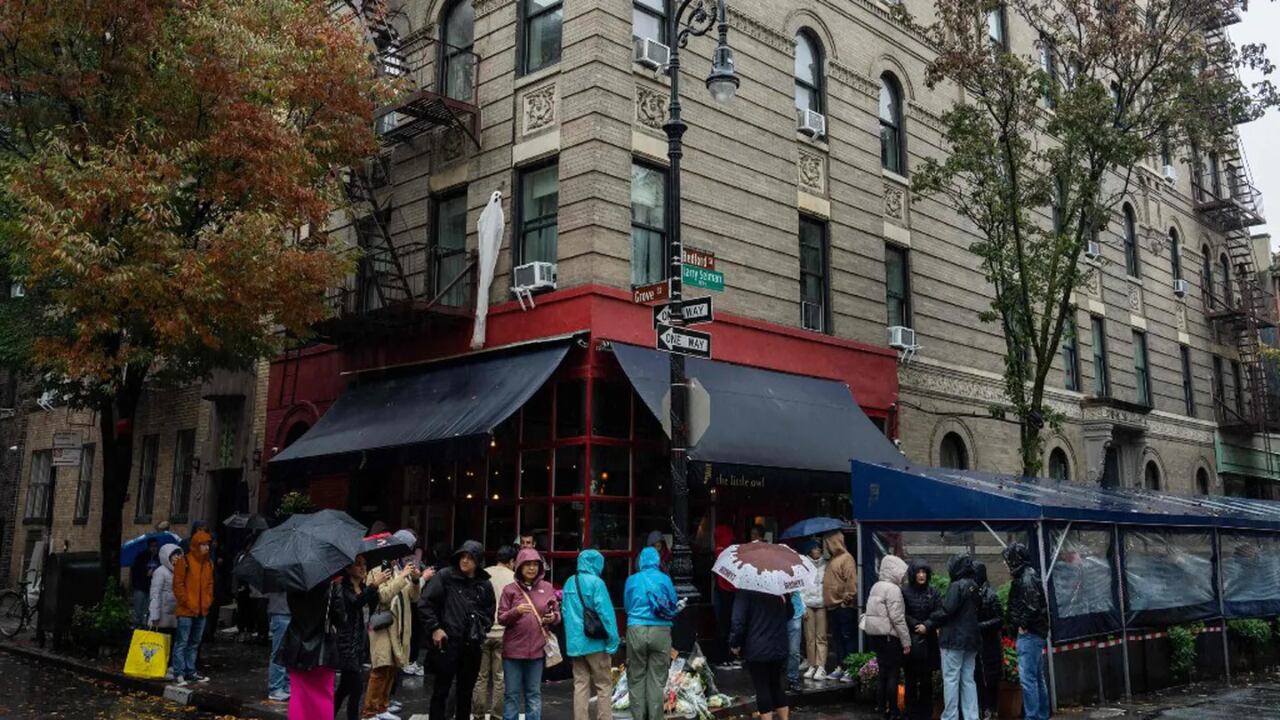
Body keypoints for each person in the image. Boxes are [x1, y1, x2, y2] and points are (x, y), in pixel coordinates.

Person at [419, 540, 496, 720]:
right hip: (448, 641)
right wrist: (435, 628)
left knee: (466, 691)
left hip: (472, 643)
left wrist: (481, 625)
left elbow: (490, 611)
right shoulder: (446, 576)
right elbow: (425, 603)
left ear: (478, 561)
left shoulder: (484, 584)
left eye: (470, 558)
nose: (465, 561)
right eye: (463, 556)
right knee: (441, 689)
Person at [497, 548, 561, 720]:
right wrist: (515, 611)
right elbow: (501, 618)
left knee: (534, 694)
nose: (532, 568)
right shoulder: (509, 589)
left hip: (537, 651)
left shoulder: (547, 587)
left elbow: (557, 615)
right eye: (527, 565)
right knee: (512, 694)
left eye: (535, 565)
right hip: (513, 652)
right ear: (519, 567)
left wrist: (552, 617)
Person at [362, 560, 425, 720]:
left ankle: (382, 707)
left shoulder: (397, 571)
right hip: (382, 626)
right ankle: (369, 712)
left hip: (399, 627)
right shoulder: (376, 571)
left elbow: (413, 596)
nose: (397, 558)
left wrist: (416, 580)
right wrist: (402, 576)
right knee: (380, 668)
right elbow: (383, 596)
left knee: (391, 668)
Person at [564, 549, 620, 720]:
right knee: (603, 685)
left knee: (580, 685)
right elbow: (606, 614)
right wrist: (613, 639)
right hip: (595, 643)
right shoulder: (597, 583)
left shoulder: (569, 582)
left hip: (575, 644)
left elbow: (565, 612)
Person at [624, 546, 678, 720]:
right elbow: (673, 603)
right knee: (656, 679)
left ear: (640, 561)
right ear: (657, 561)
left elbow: (627, 605)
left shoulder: (631, 580)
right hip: (660, 631)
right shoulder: (665, 580)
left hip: (636, 629)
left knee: (636, 676)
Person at [279, 578, 344, 719]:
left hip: (296, 644)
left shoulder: (294, 581)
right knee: (324, 694)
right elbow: (340, 616)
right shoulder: (332, 584)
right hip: (322, 647)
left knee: (298, 694)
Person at [929, 555, 981, 720]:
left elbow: (947, 611)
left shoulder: (956, 586)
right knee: (968, 680)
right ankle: (971, 716)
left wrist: (931, 618)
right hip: (971, 640)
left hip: (953, 640)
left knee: (951, 679)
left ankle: (950, 716)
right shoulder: (975, 586)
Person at [334, 556, 386, 720]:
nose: (363, 568)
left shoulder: (363, 586)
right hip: (346, 643)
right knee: (356, 688)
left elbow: (371, 604)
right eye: (358, 565)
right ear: (348, 569)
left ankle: (328, 715)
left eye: (365, 564)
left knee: (344, 688)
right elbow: (355, 603)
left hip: (360, 642)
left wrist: (376, 589)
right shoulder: (343, 587)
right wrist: (374, 585)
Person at [729, 589, 792, 720]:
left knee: (762, 686)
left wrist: (734, 643)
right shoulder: (779, 588)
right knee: (776, 684)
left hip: (757, 646)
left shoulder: (745, 590)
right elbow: (790, 614)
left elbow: (738, 621)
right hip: (778, 643)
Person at [1004, 543, 1050, 720]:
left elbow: (1032, 606)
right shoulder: (1029, 575)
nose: (1006, 564)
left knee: (1029, 679)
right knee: (1036, 677)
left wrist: (1022, 625)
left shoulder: (1026, 578)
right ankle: (1041, 714)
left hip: (1030, 633)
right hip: (1034, 632)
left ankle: (1033, 716)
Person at [862, 555, 911, 720]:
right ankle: (894, 710)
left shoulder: (876, 586)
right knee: (893, 674)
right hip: (891, 637)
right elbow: (897, 618)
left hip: (877, 637)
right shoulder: (893, 589)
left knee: (883, 672)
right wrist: (906, 642)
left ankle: (881, 706)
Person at [475, 545, 517, 719]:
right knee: (500, 678)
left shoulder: (483, 574)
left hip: (483, 632)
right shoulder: (514, 578)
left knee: (481, 677)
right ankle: (497, 715)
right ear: (512, 561)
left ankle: (477, 714)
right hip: (504, 633)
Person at [170, 528, 214, 685]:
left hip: (200, 609)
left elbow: (209, 585)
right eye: (203, 545)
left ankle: (189, 671)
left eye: (207, 545)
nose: (206, 547)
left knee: (193, 642)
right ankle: (179, 672)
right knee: (183, 642)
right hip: (188, 609)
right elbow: (178, 584)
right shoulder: (185, 561)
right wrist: (187, 601)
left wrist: (207, 601)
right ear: (196, 545)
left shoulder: (208, 564)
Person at [901, 560, 941, 720]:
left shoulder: (934, 591)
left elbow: (940, 612)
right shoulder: (905, 591)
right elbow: (901, 613)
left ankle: (926, 713)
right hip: (911, 640)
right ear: (913, 574)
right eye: (918, 572)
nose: (922, 575)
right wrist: (916, 624)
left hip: (929, 641)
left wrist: (928, 625)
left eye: (924, 572)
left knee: (926, 680)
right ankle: (910, 712)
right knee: (910, 679)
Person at [821, 531, 857, 681]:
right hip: (833, 607)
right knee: (837, 640)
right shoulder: (833, 560)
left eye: (827, 543)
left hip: (843, 607)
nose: (826, 547)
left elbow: (851, 583)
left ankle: (850, 668)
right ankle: (841, 666)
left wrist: (846, 600)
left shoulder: (846, 558)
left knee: (847, 638)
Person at [973, 561, 1003, 720]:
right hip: (977, 645)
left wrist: (980, 626)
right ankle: (983, 709)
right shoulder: (972, 593)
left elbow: (999, 620)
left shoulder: (991, 595)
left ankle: (992, 710)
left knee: (991, 680)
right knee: (978, 680)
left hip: (990, 645)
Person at [800, 540, 828, 681]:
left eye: (819, 548)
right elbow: (801, 587)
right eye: (814, 548)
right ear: (810, 550)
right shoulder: (804, 565)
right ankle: (812, 664)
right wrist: (802, 607)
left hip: (822, 603)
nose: (817, 550)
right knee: (809, 637)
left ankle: (821, 666)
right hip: (808, 604)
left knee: (821, 636)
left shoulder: (826, 564)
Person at [712, 525, 737, 666]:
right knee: (725, 626)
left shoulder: (719, 551)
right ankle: (724, 657)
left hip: (722, 591)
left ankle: (724, 657)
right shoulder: (723, 553)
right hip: (725, 593)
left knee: (724, 626)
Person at [148, 544, 180, 642]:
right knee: (159, 645)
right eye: (174, 555)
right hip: (161, 617)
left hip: (174, 616)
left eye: (179, 554)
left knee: (171, 643)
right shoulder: (160, 572)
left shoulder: (178, 572)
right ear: (167, 556)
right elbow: (155, 594)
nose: (178, 557)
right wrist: (154, 615)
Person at [265, 591, 292, 702]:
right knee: (279, 651)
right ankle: (276, 688)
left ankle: (285, 685)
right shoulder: (281, 575)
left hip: (286, 611)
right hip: (282, 611)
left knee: (288, 651)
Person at [131, 539, 159, 628]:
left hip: (151, 587)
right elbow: (135, 571)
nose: (154, 548)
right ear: (148, 547)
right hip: (140, 586)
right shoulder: (141, 557)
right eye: (152, 546)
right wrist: (145, 573)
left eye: (155, 546)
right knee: (138, 608)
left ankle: (144, 625)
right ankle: (136, 624)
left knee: (147, 609)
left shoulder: (158, 558)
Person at [785, 589, 805, 693]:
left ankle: (793, 679)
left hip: (795, 612)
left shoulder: (795, 573)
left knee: (794, 650)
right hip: (775, 612)